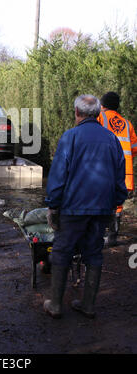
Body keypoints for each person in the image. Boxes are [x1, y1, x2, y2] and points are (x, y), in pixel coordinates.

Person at [44, 94, 127, 319]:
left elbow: (59, 174)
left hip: (74, 207)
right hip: (102, 208)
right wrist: (115, 204)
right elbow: (120, 177)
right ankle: (88, 305)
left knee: (62, 251)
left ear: (77, 113)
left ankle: (56, 305)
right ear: (98, 114)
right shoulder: (112, 139)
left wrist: (53, 205)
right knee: (94, 253)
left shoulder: (70, 137)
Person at [98, 91, 137, 246]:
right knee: (118, 204)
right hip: (124, 173)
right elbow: (134, 148)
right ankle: (113, 237)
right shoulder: (127, 124)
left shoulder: (100, 118)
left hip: (104, 170)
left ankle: (98, 236)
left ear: (102, 105)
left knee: (100, 201)